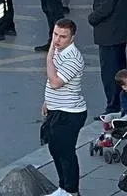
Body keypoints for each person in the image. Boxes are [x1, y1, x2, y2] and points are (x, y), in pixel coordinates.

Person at [42, 18, 89, 196]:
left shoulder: (73, 58)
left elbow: (55, 82)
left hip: (69, 113)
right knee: (55, 150)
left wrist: (48, 57)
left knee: (66, 153)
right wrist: (48, 102)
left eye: (63, 36)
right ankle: (63, 187)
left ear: (72, 38)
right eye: (55, 34)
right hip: (56, 109)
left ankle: (72, 191)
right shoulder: (59, 50)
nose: (57, 40)